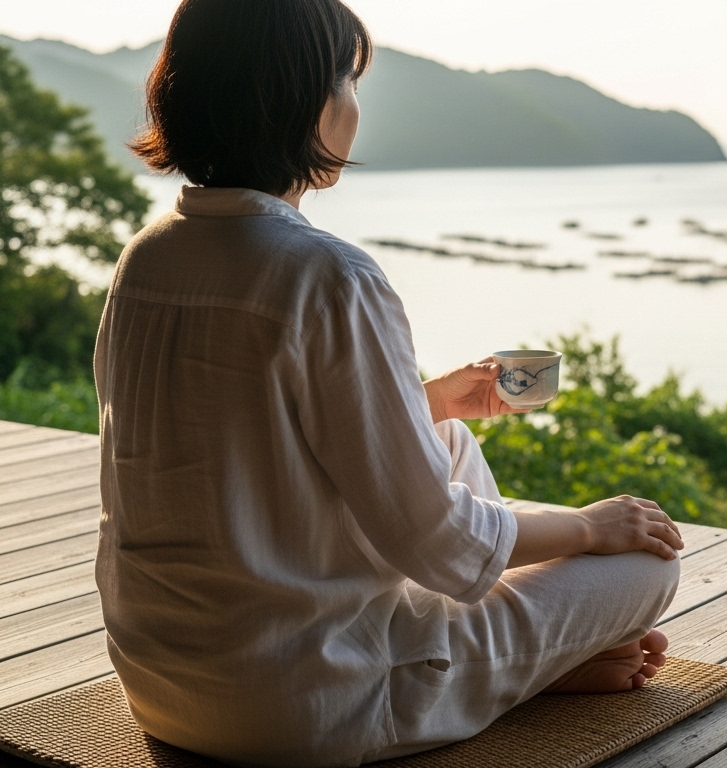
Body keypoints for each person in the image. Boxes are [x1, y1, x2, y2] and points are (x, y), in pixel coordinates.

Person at [94, 1, 683, 765]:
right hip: (315, 703)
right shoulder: (329, 276)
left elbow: (237, 440)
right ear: (305, 99)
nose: (354, 103)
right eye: (348, 80)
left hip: (163, 686)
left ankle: (523, 656)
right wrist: (591, 527)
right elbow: (438, 543)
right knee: (647, 559)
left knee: (449, 432)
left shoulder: (146, 259)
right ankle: (524, 667)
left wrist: (425, 402)